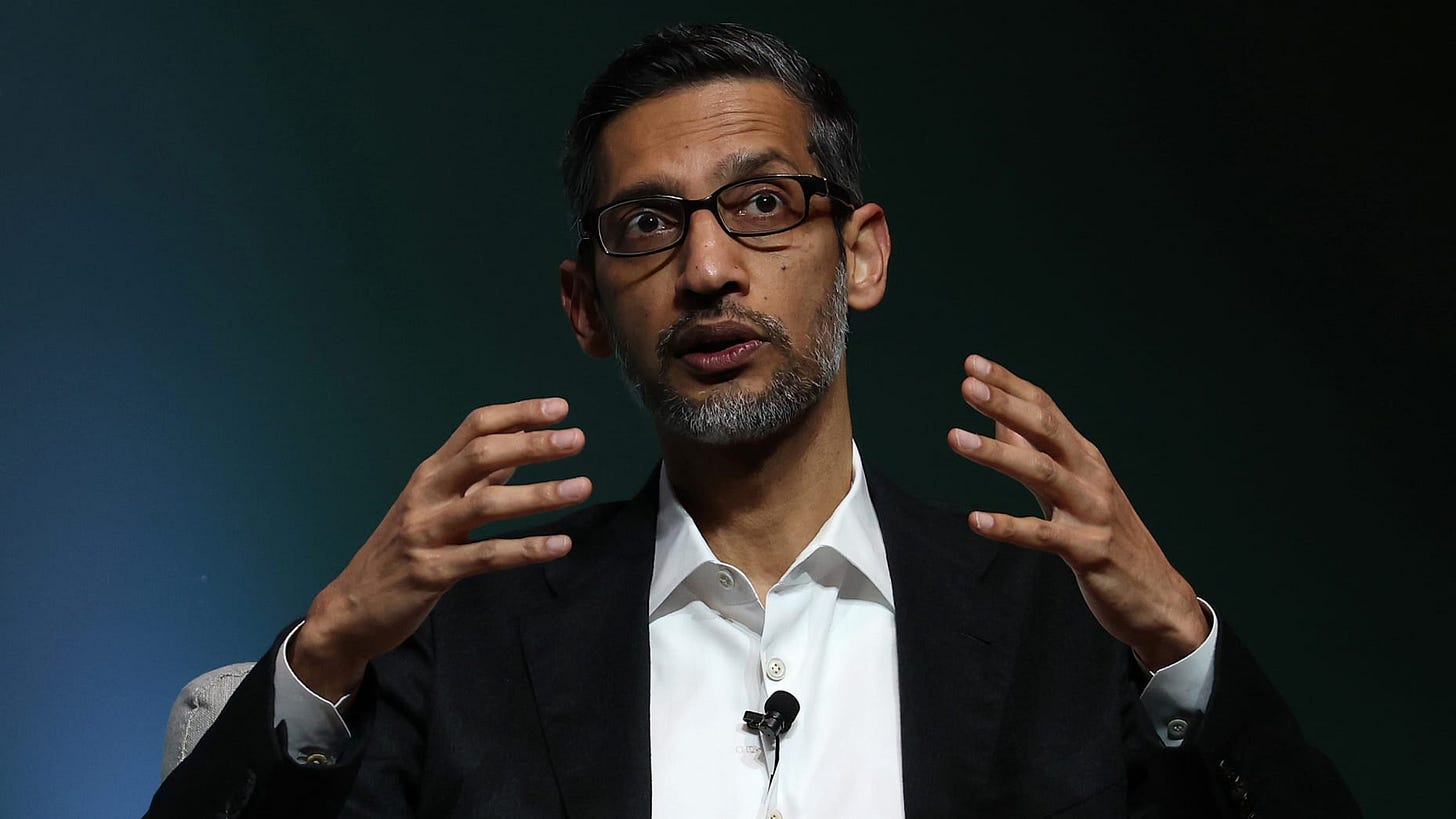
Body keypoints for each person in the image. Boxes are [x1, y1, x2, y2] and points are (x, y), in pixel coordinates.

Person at [146, 22, 1359, 818]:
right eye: (648, 224)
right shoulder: (459, 642)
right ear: (585, 304)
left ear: (862, 255)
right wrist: (325, 652)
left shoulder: (1065, 625)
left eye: (763, 204)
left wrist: (1178, 646)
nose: (710, 267)